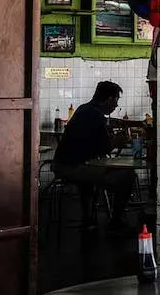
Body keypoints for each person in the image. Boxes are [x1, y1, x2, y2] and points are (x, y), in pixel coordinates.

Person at [53, 81, 135, 232]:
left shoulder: (85, 109)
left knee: (93, 176)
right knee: (127, 176)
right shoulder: (95, 115)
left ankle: (88, 219)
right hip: (73, 167)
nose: (116, 105)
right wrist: (117, 141)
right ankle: (116, 221)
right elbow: (104, 148)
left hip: (62, 163)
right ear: (109, 99)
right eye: (116, 100)